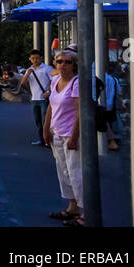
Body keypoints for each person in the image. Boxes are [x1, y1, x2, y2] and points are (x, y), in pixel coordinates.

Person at [43, 49, 83, 226]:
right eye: (59, 61)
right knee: (64, 172)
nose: (63, 65)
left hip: (70, 134)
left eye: (67, 62)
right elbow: (51, 107)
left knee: (76, 173)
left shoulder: (76, 83)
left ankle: (86, 212)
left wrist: (75, 136)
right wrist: (46, 129)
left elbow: (80, 112)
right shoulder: (55, 80)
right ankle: (72, 207)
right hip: (57, 133)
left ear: (74, 64)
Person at [100, 63, 123, 152]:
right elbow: (119, 92)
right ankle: (111, 139)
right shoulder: (113, 79)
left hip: (102, 104)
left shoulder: (99, 78)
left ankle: (111, 140)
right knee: (108, 123)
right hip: (111, 105)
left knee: (103, 123)